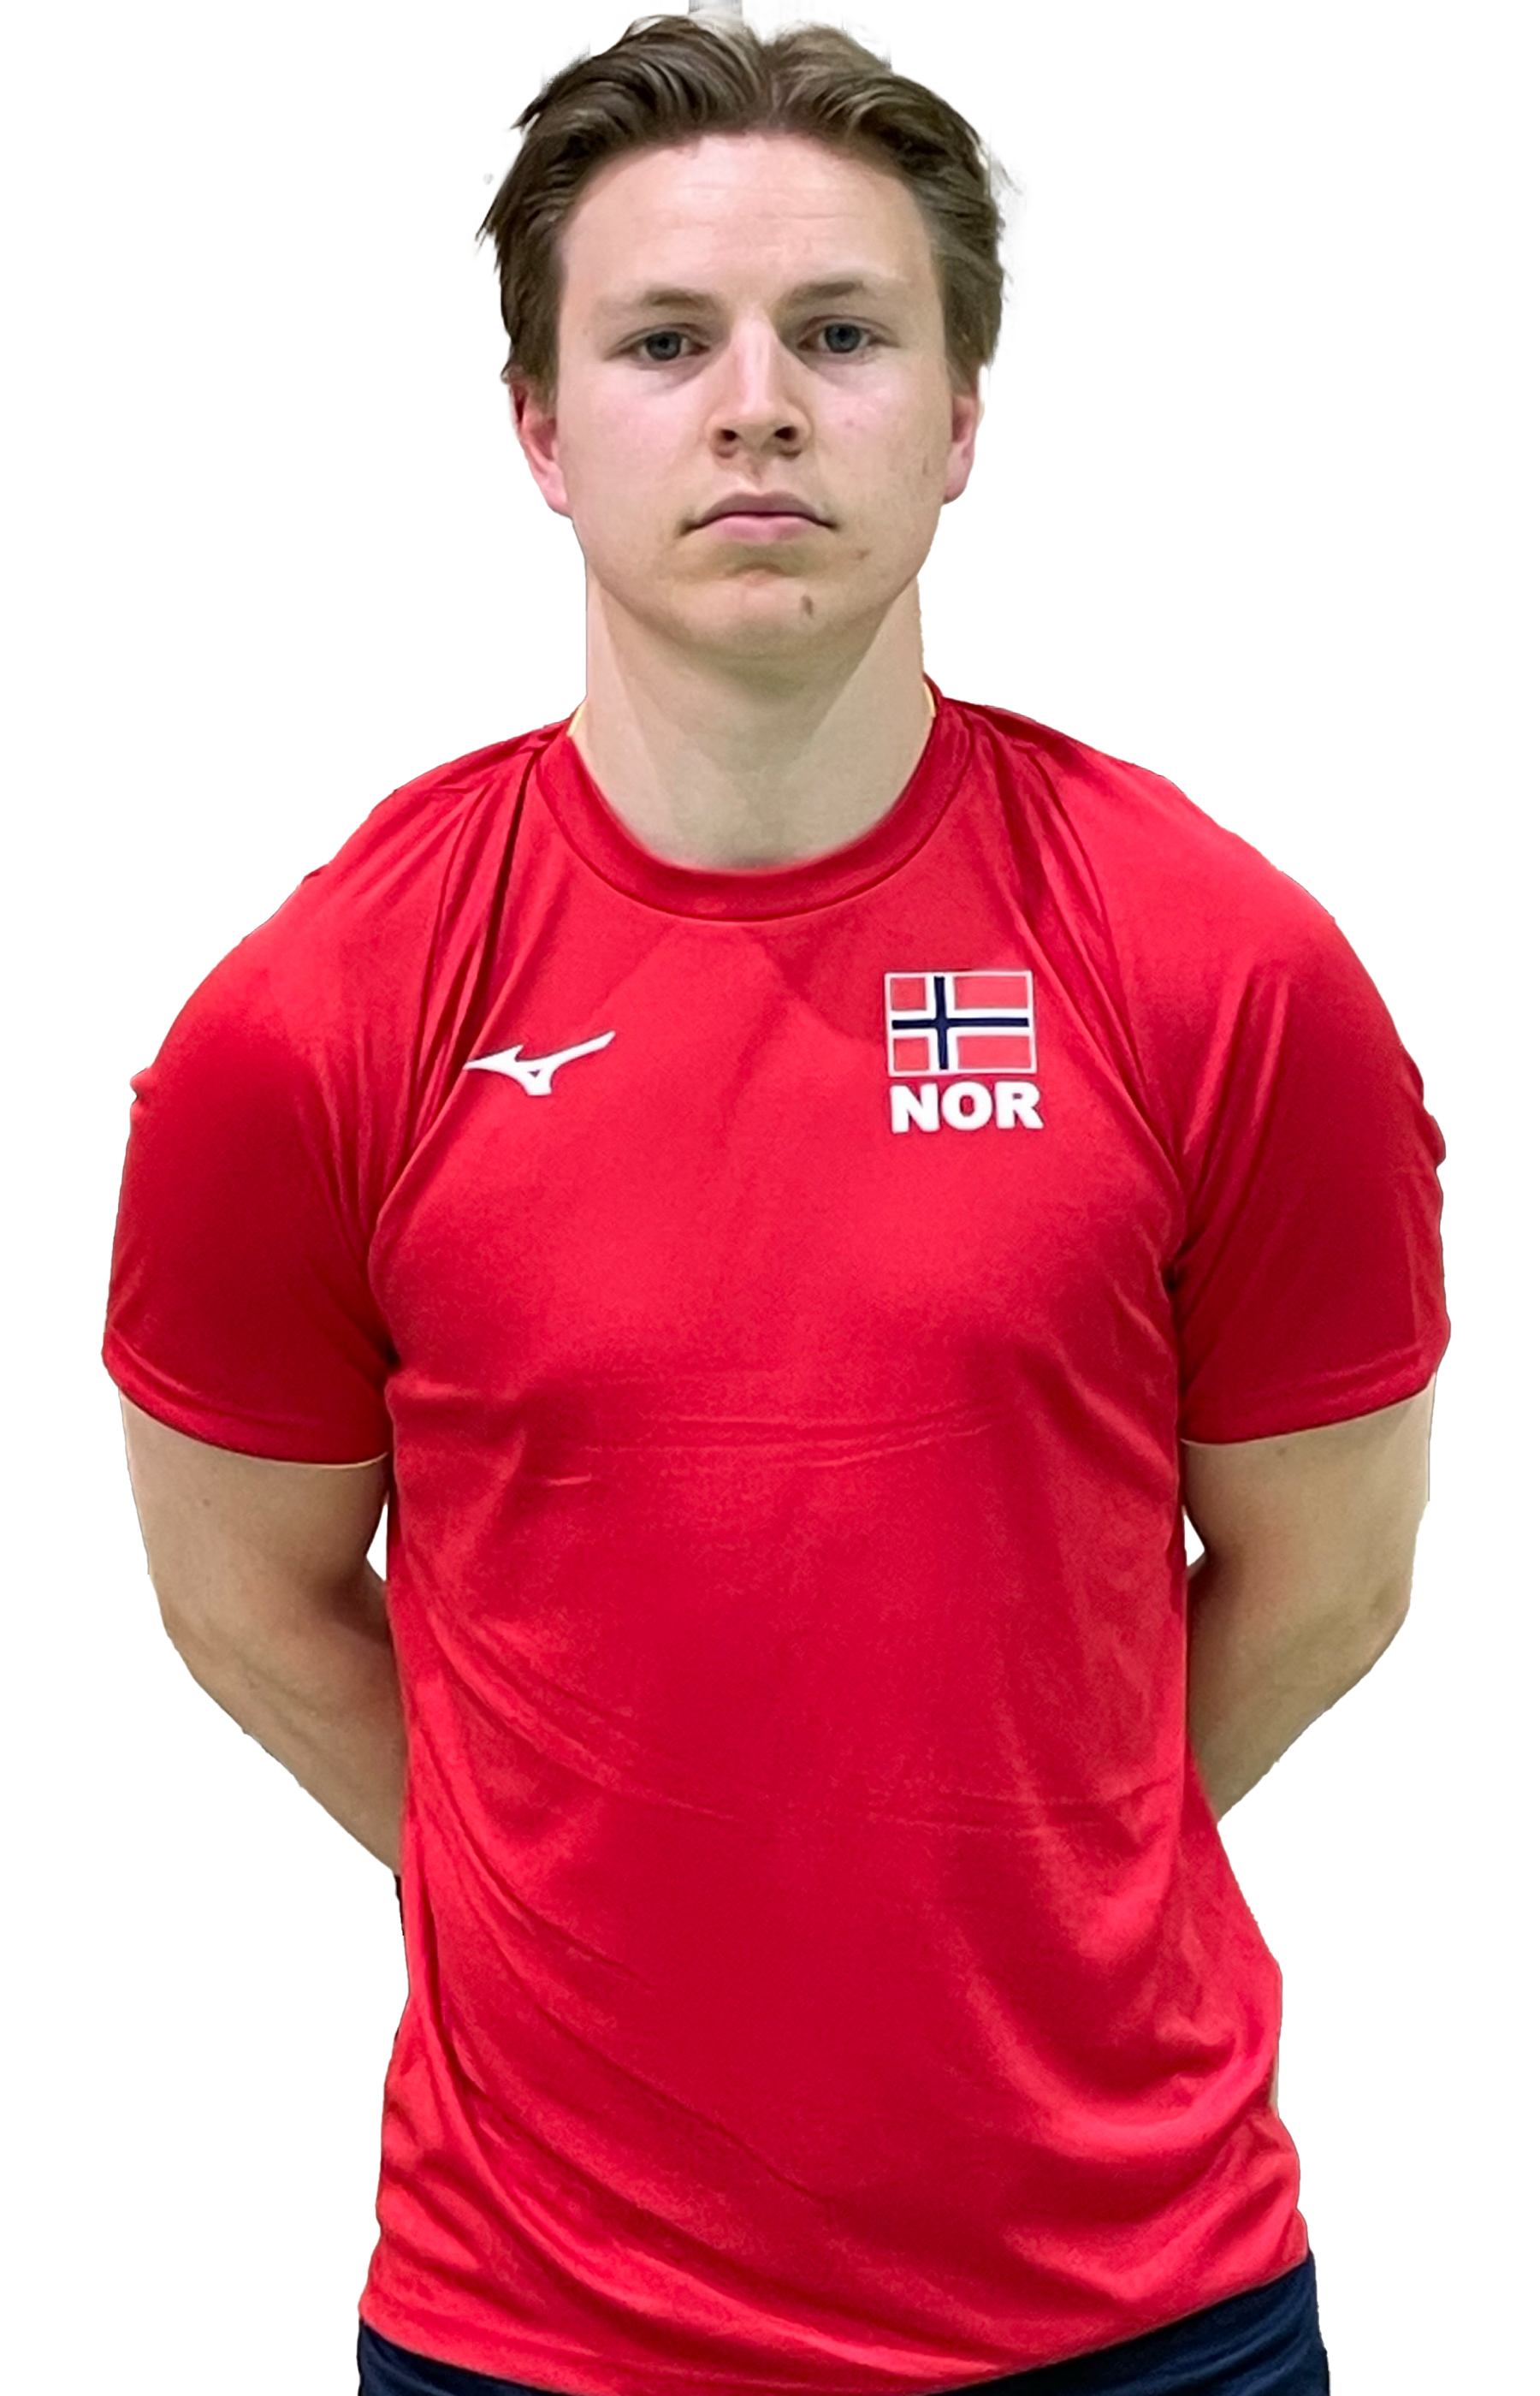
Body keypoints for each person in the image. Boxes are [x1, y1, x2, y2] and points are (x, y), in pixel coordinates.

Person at [104, 15, 1448, 2396]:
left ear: (960, 416)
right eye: (663, 343)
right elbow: (246, 1598)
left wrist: (1019, 1871)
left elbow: (1328, 1580)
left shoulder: (1225, 973)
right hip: (538, 2329)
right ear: (537, 430)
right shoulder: (310, 1024)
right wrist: (593, 1916)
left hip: (1145, 2314)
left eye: (841, 334)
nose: (758, 409)